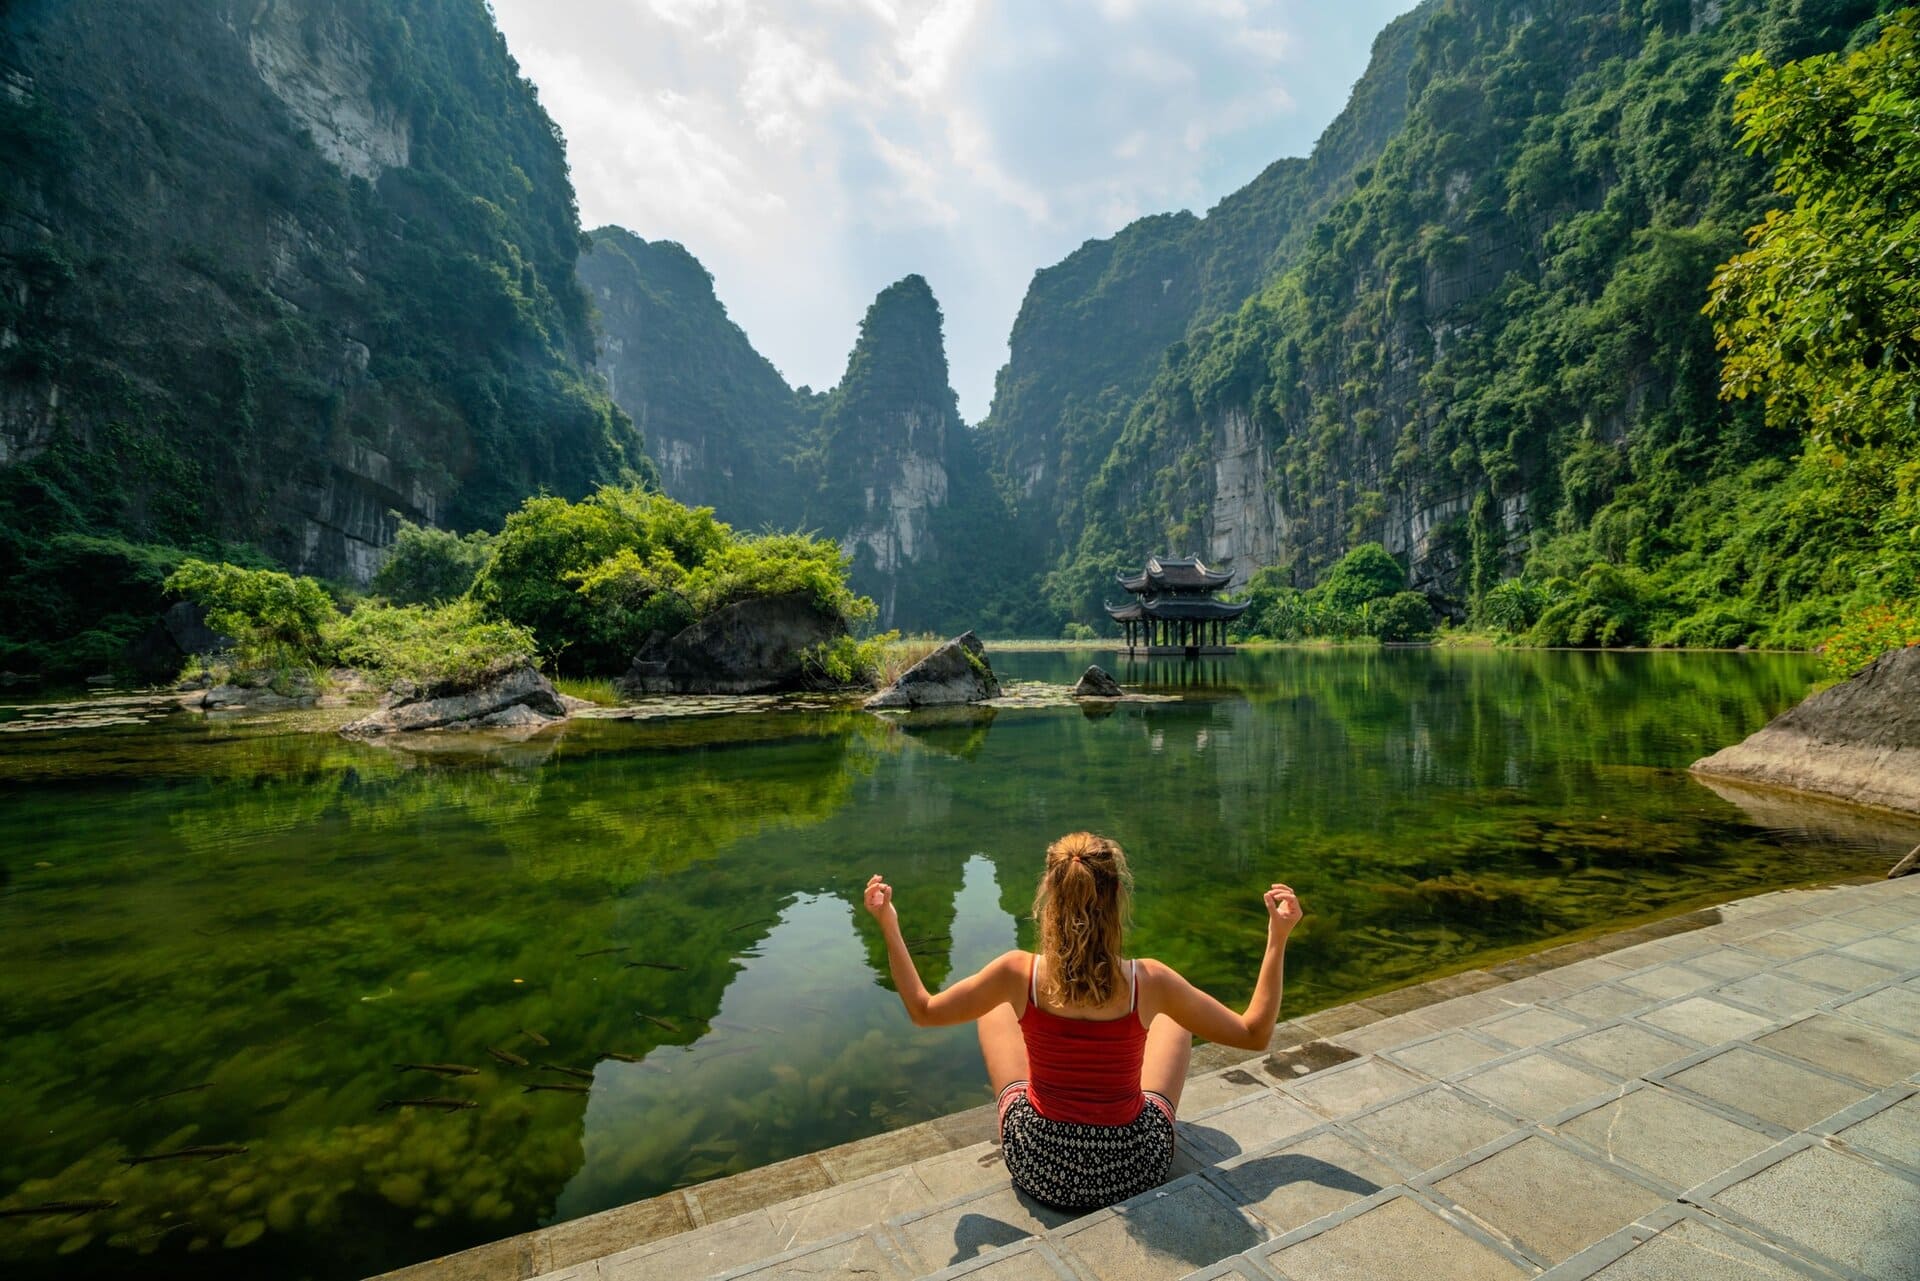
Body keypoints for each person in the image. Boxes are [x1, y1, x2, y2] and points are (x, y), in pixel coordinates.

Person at [862, 831, 1302, 1211]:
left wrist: (888, 923)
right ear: (1116, 900)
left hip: (1041, 1168)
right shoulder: (1148, 981)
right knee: (1172, 1019)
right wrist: (1277, 939)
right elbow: (1254, 1033)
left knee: (996, 1006)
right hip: (1132, 1169)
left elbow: (923, 1010)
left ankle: (1050, 1096)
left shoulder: (1019, 973)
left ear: (1049, 898)